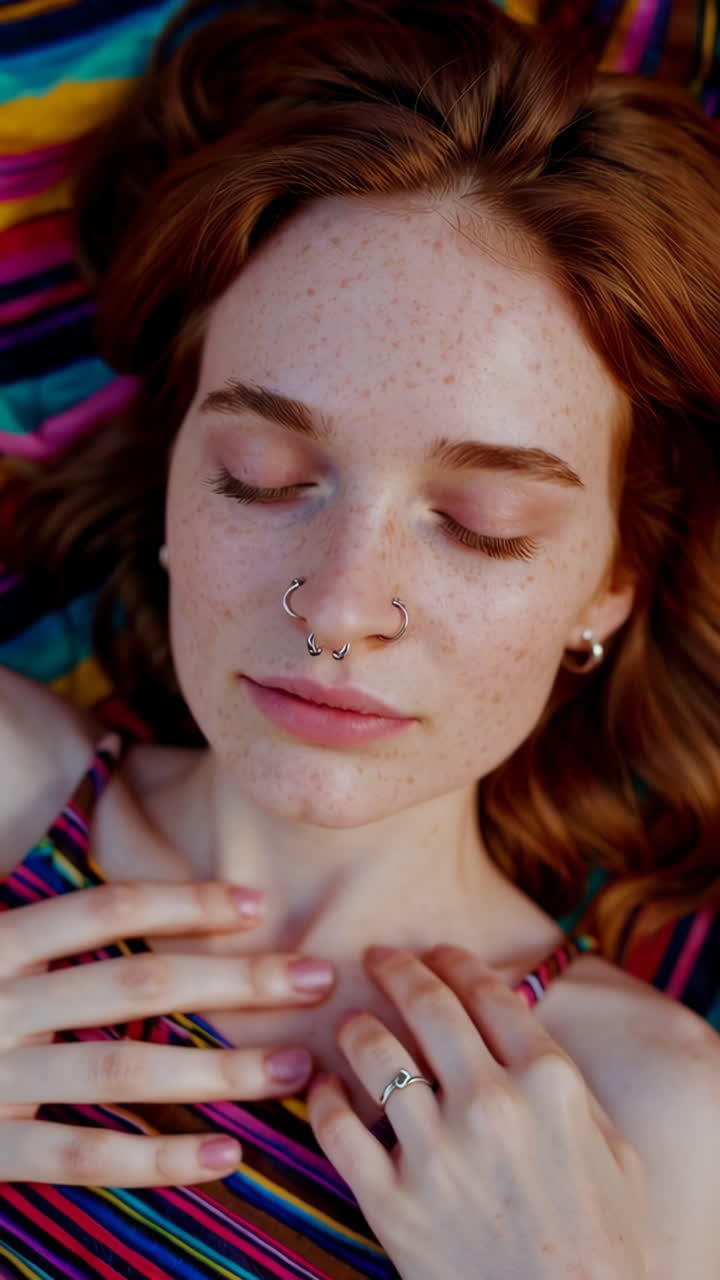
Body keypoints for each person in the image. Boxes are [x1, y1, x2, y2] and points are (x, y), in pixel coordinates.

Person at [0, 0, 719, 1274]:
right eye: (266, 474)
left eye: (483, 524)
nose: (337, 609)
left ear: (608, 583)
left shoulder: (658, 1122)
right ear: (170, 473)